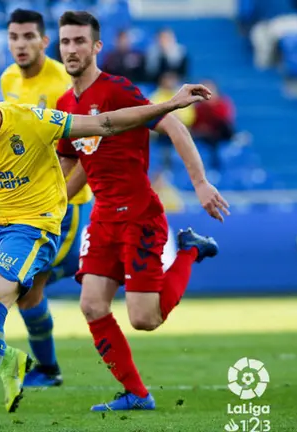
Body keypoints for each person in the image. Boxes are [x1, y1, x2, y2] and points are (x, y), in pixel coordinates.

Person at [0, 71, 215, 427]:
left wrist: (168, 104)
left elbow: (104, 124)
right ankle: (8, 357)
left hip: (34, 229)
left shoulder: (33, 120)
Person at [54, 11, 228, 411]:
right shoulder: (66, 105)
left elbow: (173, 125)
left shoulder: (116, 90)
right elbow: (79, 162)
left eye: (80, 41)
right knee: (92, 305)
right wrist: (53, 203)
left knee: (144, 319)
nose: (72, 49)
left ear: (97, 47)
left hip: (139, 215)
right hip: (102, 218)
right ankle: (137, 394)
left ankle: (189, 249)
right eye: (65, 41)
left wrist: (200, 183)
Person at [0, 8, 94, 388]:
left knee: (29, 289)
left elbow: (85, 154)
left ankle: (47, 369)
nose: (20, 44)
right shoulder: (8, 78)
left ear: (45, 41)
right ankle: (47, 369)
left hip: (65, 205)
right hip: (26, 202)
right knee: (27, 289)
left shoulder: (64, 80)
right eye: (14, 37)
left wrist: (59, 196)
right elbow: (7, 139)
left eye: (29, 36)